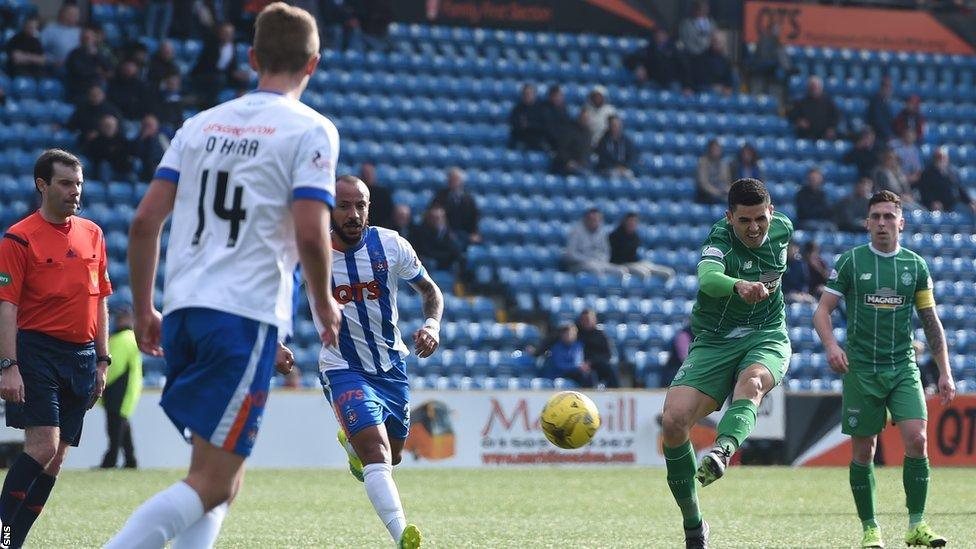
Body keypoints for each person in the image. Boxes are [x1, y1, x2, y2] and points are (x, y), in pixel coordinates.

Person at [105, 5, 342, 547]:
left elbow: (144, 223)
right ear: (313, 64)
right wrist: (324, 303)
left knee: (222, 480)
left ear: (253, 57)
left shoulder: (199, 125)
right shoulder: (311, 130)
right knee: (211, 483)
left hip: (185, 311)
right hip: (241, 317)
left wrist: (144, 311)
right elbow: (311, 233)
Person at [813, 190, 954, 549]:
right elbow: (822, 311)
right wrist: (832, 346)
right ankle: (870, 529)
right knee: (864, 451)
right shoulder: (850, 262)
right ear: (866, 223)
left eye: (888, 217)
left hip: (902, 366)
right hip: (861, 370)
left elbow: (930, 322)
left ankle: (917, 525)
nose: (881, 223)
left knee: (918, 440)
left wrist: (945, 371)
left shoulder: (915, 266)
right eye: (875, 216)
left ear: (901, 223)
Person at [661, 178, 793, 548]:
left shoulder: (784, 228)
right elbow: (707, 279)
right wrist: (738, 285)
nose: (753, 228)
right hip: (715, 341)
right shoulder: (718, 238)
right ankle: (694, 524)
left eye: (759, 219)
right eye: (744, 221)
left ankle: (722, 450)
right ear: (729, 217)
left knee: (752, 383)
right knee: (673, 423)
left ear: (771, 211)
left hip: (767, 333)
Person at [314, 175, 440, 549]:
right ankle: (403, 535)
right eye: (344, 205)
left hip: (391, 367)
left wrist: (431, 323)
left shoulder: (390, 245)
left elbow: (430, 290)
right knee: (377, 450)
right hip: (342, 367)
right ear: (329, 208)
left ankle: (351, 447)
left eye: (361, 205)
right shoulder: (311, 249)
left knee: (393, 454)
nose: (353, 214)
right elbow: (272, 293)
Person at [0, 149, 112, 548]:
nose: (74, 192)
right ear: (42, 185)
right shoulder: (18, 238)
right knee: (43, 446)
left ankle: (13, 542)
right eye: (66, 183)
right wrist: (7, 364)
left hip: (82, 356)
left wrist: (102, 358)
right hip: (36, 352)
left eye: (78, 184)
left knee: (57, 459)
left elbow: (100, 298)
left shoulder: (93, 233)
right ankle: (4, 536)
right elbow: (7, 305)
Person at [98, 304, 142, 469]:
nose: (116, 320)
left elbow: (114, 367)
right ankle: (130, 461)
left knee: (114, 427)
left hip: (118, 391)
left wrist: (100, 380)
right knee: (123, 427)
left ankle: (110, 460)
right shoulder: (131, 338)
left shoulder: (122, 339)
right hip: (124, 391)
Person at [191, 22, 249, 108]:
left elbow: (231, 67)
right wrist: (230, 73)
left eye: (230, 33)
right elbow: (208, 66)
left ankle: (242, 105)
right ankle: (209, 105)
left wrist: (236, 73)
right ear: (220, 33)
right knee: (219, 79)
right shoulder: (212, 45)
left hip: (224, 75)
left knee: (243, 79)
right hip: (206, 74)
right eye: (225, 33)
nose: (227, 36)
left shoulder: (233, 47)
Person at [609, 213, 675, 279]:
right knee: (644, 273)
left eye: (634, 221)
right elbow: (617, 257)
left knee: (667, 271)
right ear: (625, 222)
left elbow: (634, 255)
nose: (632, 223)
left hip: (635, 262)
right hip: (621, 264)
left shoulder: (635, 236)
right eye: (630, 221)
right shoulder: (615, 236)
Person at [563, 208, 626, 276]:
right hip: (578, 265)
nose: (595, 222)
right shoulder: (576, 232)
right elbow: (570, 254)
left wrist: (600, 260)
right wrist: (587, 259)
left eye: (598, 220)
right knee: (595, 269)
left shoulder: (602, 232)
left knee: (621, 270)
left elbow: (606, 252)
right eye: (592, 219)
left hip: (598, 263)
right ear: (586, 220)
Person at [917, 147, 976, 215]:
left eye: (944, 157)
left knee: (971, 209)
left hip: (953, 204)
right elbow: (925, 190)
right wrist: (932, 202)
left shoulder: (951, 173)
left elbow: (960, 189)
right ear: (935, 159)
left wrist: (970, 202)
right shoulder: (927, 173)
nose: (942, 160)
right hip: (939, 205)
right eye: (939, 157)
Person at [430, 167, 481, 245]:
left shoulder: (468, 198)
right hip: (446, 233)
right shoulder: (440, 196)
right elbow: (433, 213)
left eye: (456, 179)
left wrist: (474, 233)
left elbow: (474, 216)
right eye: (451, 179)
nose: (453, 182)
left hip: (464, 234)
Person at [63, 25, 114, 101]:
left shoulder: (100, 53)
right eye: (84, 38)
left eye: (88, 38)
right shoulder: (74, 53)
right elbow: (79, 71)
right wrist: (96, 71)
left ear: (94, 38)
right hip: (80, 86)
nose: (86, 40)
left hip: (97, 85)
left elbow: (109, 69)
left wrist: (96, 55)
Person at [576, 309, 620, 388]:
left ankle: (615, 393)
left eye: (588, 319)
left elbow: (607, 354)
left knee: (610, 369)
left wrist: (591, 362)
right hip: (580, 364)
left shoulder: (600, 335)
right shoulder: (576, 334)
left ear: (594, 320)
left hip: (597, 364)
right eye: (584, 320)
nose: (586, 322)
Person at [410, 204, 462, 271]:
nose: (436, 220)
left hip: (448, 263)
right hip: (431, 263)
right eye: (433, 218)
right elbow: (426, 251)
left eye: (439, 217)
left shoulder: (450, 233)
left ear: (444, 218)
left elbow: (455, 251)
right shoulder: (422, 231)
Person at [790, 76, 840, 141]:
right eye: (812, 87)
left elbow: (836, 116)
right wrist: (799, 121)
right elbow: (793, 114)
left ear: (821, 88)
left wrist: (831, 128)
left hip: (824, 133)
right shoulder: (801, 102)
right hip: (807, 133)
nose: (814, 89)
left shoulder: (828, 102)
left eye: (816, 87)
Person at [84, 114, 132, 182]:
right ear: (101, 127)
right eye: (106, 126)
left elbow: (126, 156)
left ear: (116, 127)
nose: (109, 128)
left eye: (111, 126)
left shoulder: (123, 141)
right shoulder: (95, 141)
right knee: (104, 165)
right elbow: (96, 158)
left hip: (120, 170)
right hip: (102, 172)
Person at [545, 323, 594, 388]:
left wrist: (581, 366)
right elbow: (560, 366)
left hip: (574, 373)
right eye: (567, 334)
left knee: (590, 373)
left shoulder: (578, 346)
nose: (570, 336)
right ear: (562, 335)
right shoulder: (556, 348)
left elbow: (578, 360)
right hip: (560, 374)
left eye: (572, 334)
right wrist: (577, 367)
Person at [129, 114, 171, 183]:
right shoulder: (140, 139)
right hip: (148, 167)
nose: (149, 127)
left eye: (151, 125)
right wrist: (143, 138)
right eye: (147, 125)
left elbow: (169, 152)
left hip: (164, 163)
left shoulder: (163, 136)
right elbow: (135, 153)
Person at [552, 110, 594, 176]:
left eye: (587, 119)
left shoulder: (588, 133)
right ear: (579, 118)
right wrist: (568, 161)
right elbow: (561, 149)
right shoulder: (569, 130)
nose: (585, 120)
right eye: (584, 118)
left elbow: (586, 152)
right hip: (565, 164)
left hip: (581, 165)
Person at [795, 167, 835, 231]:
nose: (815, 180)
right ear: (809, 179)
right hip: (806, 221)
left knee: (832, 227)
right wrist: (819, 211)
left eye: (817, 178)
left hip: (821, 221)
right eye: (813, 178)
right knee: (818, 227)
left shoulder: (822, 194)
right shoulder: (802, 193)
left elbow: (828, 210)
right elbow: (805, 212)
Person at [508, 83, 546, 150]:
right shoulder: (517, 109)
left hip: (537, 139)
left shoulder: (541, 109)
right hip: (522, 140)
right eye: (525, 94)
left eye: (530, 93)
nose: (527, 96)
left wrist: (529, 125)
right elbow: (514, 127)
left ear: (534, 95)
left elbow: (543, 126)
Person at [695, 139, 731, 204]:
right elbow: (703, 184)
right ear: (709, 150)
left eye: (718, 149)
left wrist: (727, 190)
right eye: (714, 149)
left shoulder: (723, 164)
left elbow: (726, 182)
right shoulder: (703, 162)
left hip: (721, 190)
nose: (717, 151)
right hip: (707, 193)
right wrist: (717, 192)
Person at [359, 162, 394, 229]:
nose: (367, 176)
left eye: (370, 173)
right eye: (365, 174)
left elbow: (388, 213)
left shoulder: (383, 193)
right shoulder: (356, 193)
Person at [866, 75, 896, 142]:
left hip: (887, 135)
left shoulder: (886, 102)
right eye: (887, 87)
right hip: (879, 137)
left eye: (890, 87)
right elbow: (878, 122)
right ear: (882, 87)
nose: (889, 89)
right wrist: (888, 135)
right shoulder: (876, 102)